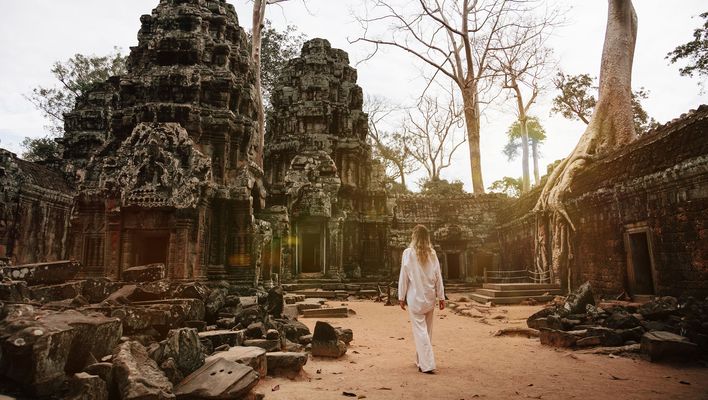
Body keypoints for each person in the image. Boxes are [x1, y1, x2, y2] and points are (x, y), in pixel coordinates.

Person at [398, 224, 445, 374]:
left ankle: (427, 364)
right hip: (430, 298)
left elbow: (403, 277)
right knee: (427, 331)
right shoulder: (432, 253)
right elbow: (439, 276)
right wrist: (441, 296)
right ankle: (420, 360)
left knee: (420, 332)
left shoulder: (408, 253)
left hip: (415, 299)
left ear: (414, 237)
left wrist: (401, 296)